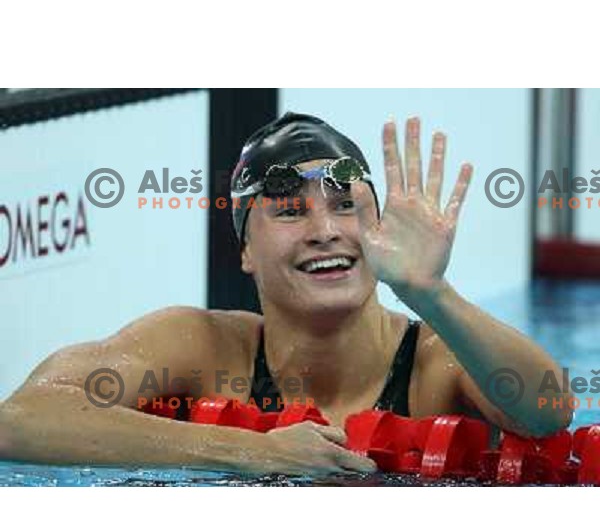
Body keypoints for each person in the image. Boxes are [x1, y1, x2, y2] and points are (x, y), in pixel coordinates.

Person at [0, 112, 572, 475]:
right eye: (291, 212)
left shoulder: (437, 361)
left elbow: (548, 413)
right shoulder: (200, 346)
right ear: (245, 251)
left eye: (346, 205)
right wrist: (253, 451)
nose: (325, 230)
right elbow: (21, 417)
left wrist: (431, 293)